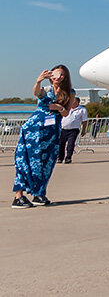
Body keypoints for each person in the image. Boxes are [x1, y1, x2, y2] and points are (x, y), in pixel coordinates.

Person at [13, 65, 71, 208]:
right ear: (50, 75)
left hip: (51, 132)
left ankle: (39, 194)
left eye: (62, 74)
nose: (58, 77)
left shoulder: (69, 93)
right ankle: (19, 196)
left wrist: (59, 108)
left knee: (47, 162)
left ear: (66, 77)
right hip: (34, 129)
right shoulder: (45, 89)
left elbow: (66, 113)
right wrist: (38, 81)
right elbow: (37, 93)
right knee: (26, 159)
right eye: (56, 74)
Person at [58, 93, 87, 164]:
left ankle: (68, 158)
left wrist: (83, 130)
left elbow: (84, 121)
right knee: (61, 144)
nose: (73, 102)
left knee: (70, 144)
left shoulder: (82, 110)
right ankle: (60, 158)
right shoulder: (66, 108)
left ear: (78, 102)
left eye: (74, 101)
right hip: (63, 129)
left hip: (73, 130)